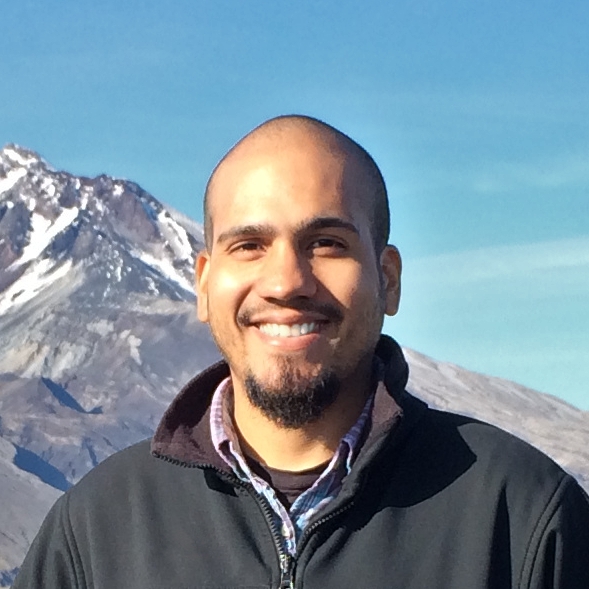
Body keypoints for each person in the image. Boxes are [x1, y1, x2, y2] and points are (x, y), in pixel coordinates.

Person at [14, 115, 589, 589]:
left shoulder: (523, 517)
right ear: (204, 285)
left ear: (387, 279)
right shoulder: (96, 531)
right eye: (249, 245)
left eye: (327, 244)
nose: (286, 281)